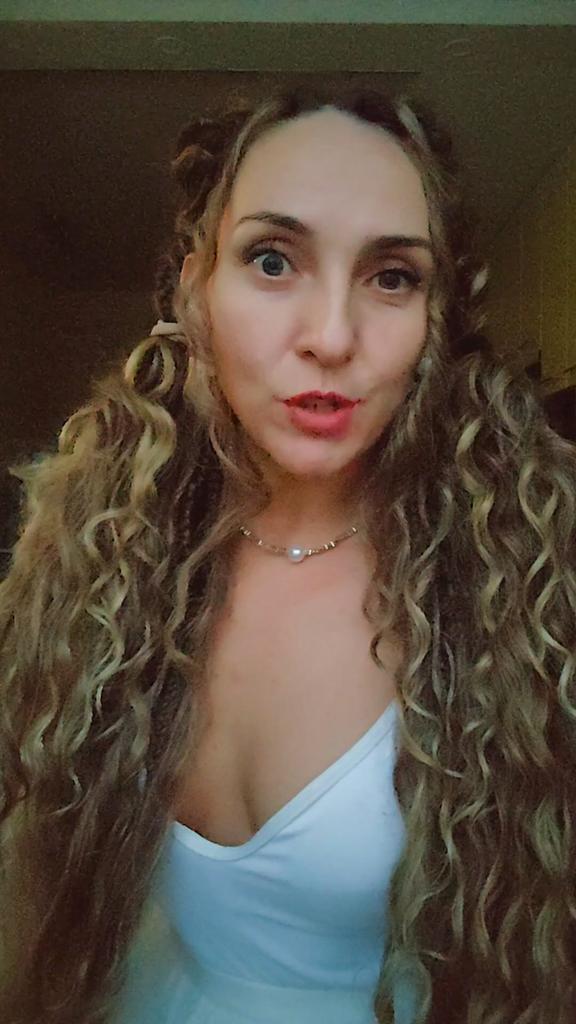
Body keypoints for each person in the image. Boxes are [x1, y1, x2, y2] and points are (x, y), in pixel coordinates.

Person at [0, 84, 575, 1024]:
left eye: (393, 277)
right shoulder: (103, 552)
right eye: (273, 260)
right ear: (195, 287)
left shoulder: (521, 590)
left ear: (437, 317)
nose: (332, 337)